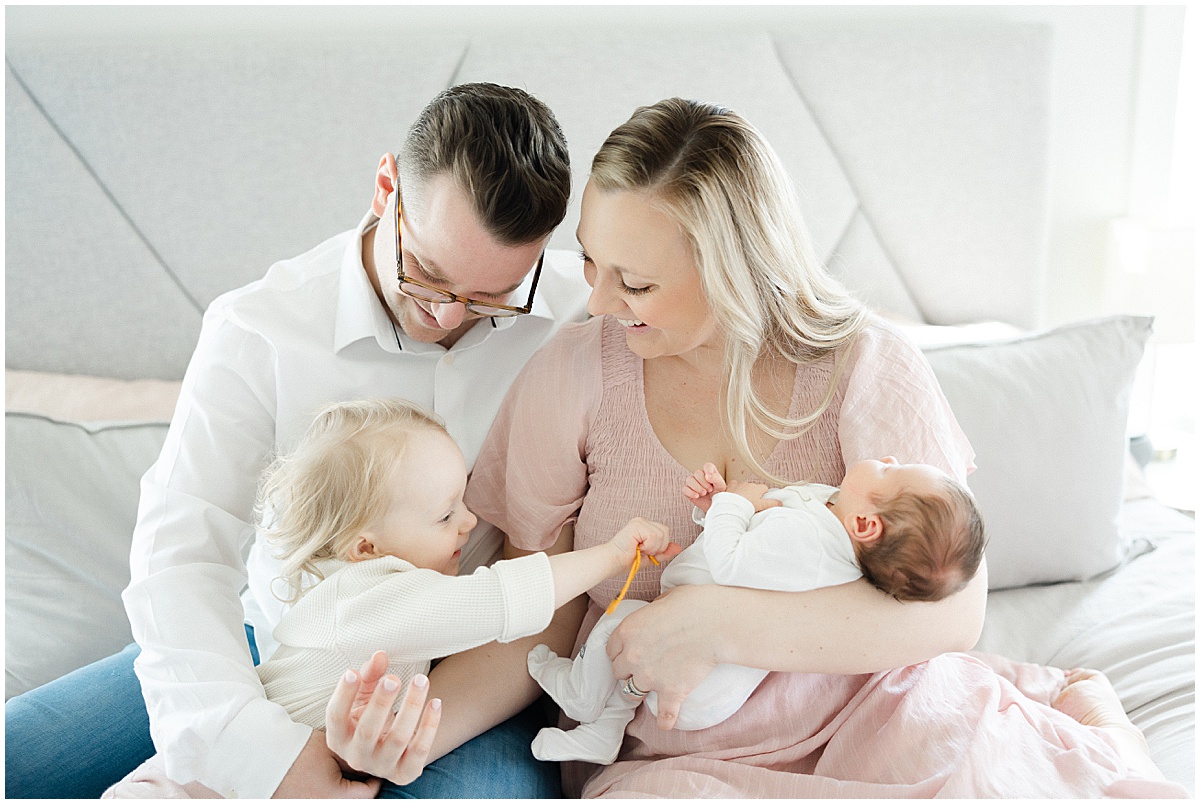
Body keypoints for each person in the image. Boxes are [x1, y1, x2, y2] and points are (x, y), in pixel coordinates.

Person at [463, 97, 1181, 797]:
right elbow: (536, 606)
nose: (598, 302)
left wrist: (716, 626)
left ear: (734, 270)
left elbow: (954, 611)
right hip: (675, 758)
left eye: (637, 282)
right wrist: (409, 738)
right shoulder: (576, 369)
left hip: (882, 720)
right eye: (590, 261)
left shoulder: (865, 365)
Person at [4, 82, 591, 799]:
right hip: (280, 648)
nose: (446, 315)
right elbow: (183, 556)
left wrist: (402, 738)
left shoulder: (579, 323)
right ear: (385, 189)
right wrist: (264, 754)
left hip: (472, 677)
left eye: (492, 297)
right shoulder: (261, 329)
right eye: (428, 274)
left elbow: (554, 588)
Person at [112, 397, 681, 795]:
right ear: (365, 545)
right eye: (445, 514)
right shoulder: (366, 596)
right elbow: (497, 600)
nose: (469, 523)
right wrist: (611, 554)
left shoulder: (371, 590)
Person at [527, 457, 985, 764]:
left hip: (700, 684)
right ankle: (602, 734)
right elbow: (755, 551)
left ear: (865, 524)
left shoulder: (808, 543)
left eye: (892, 470)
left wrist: (735, 502)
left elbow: (729, 563)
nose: (887, 458)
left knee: (619, 622)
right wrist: (716, 510)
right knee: (630, 660)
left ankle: (577, 693)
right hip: (697, 671)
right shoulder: (829, 527)